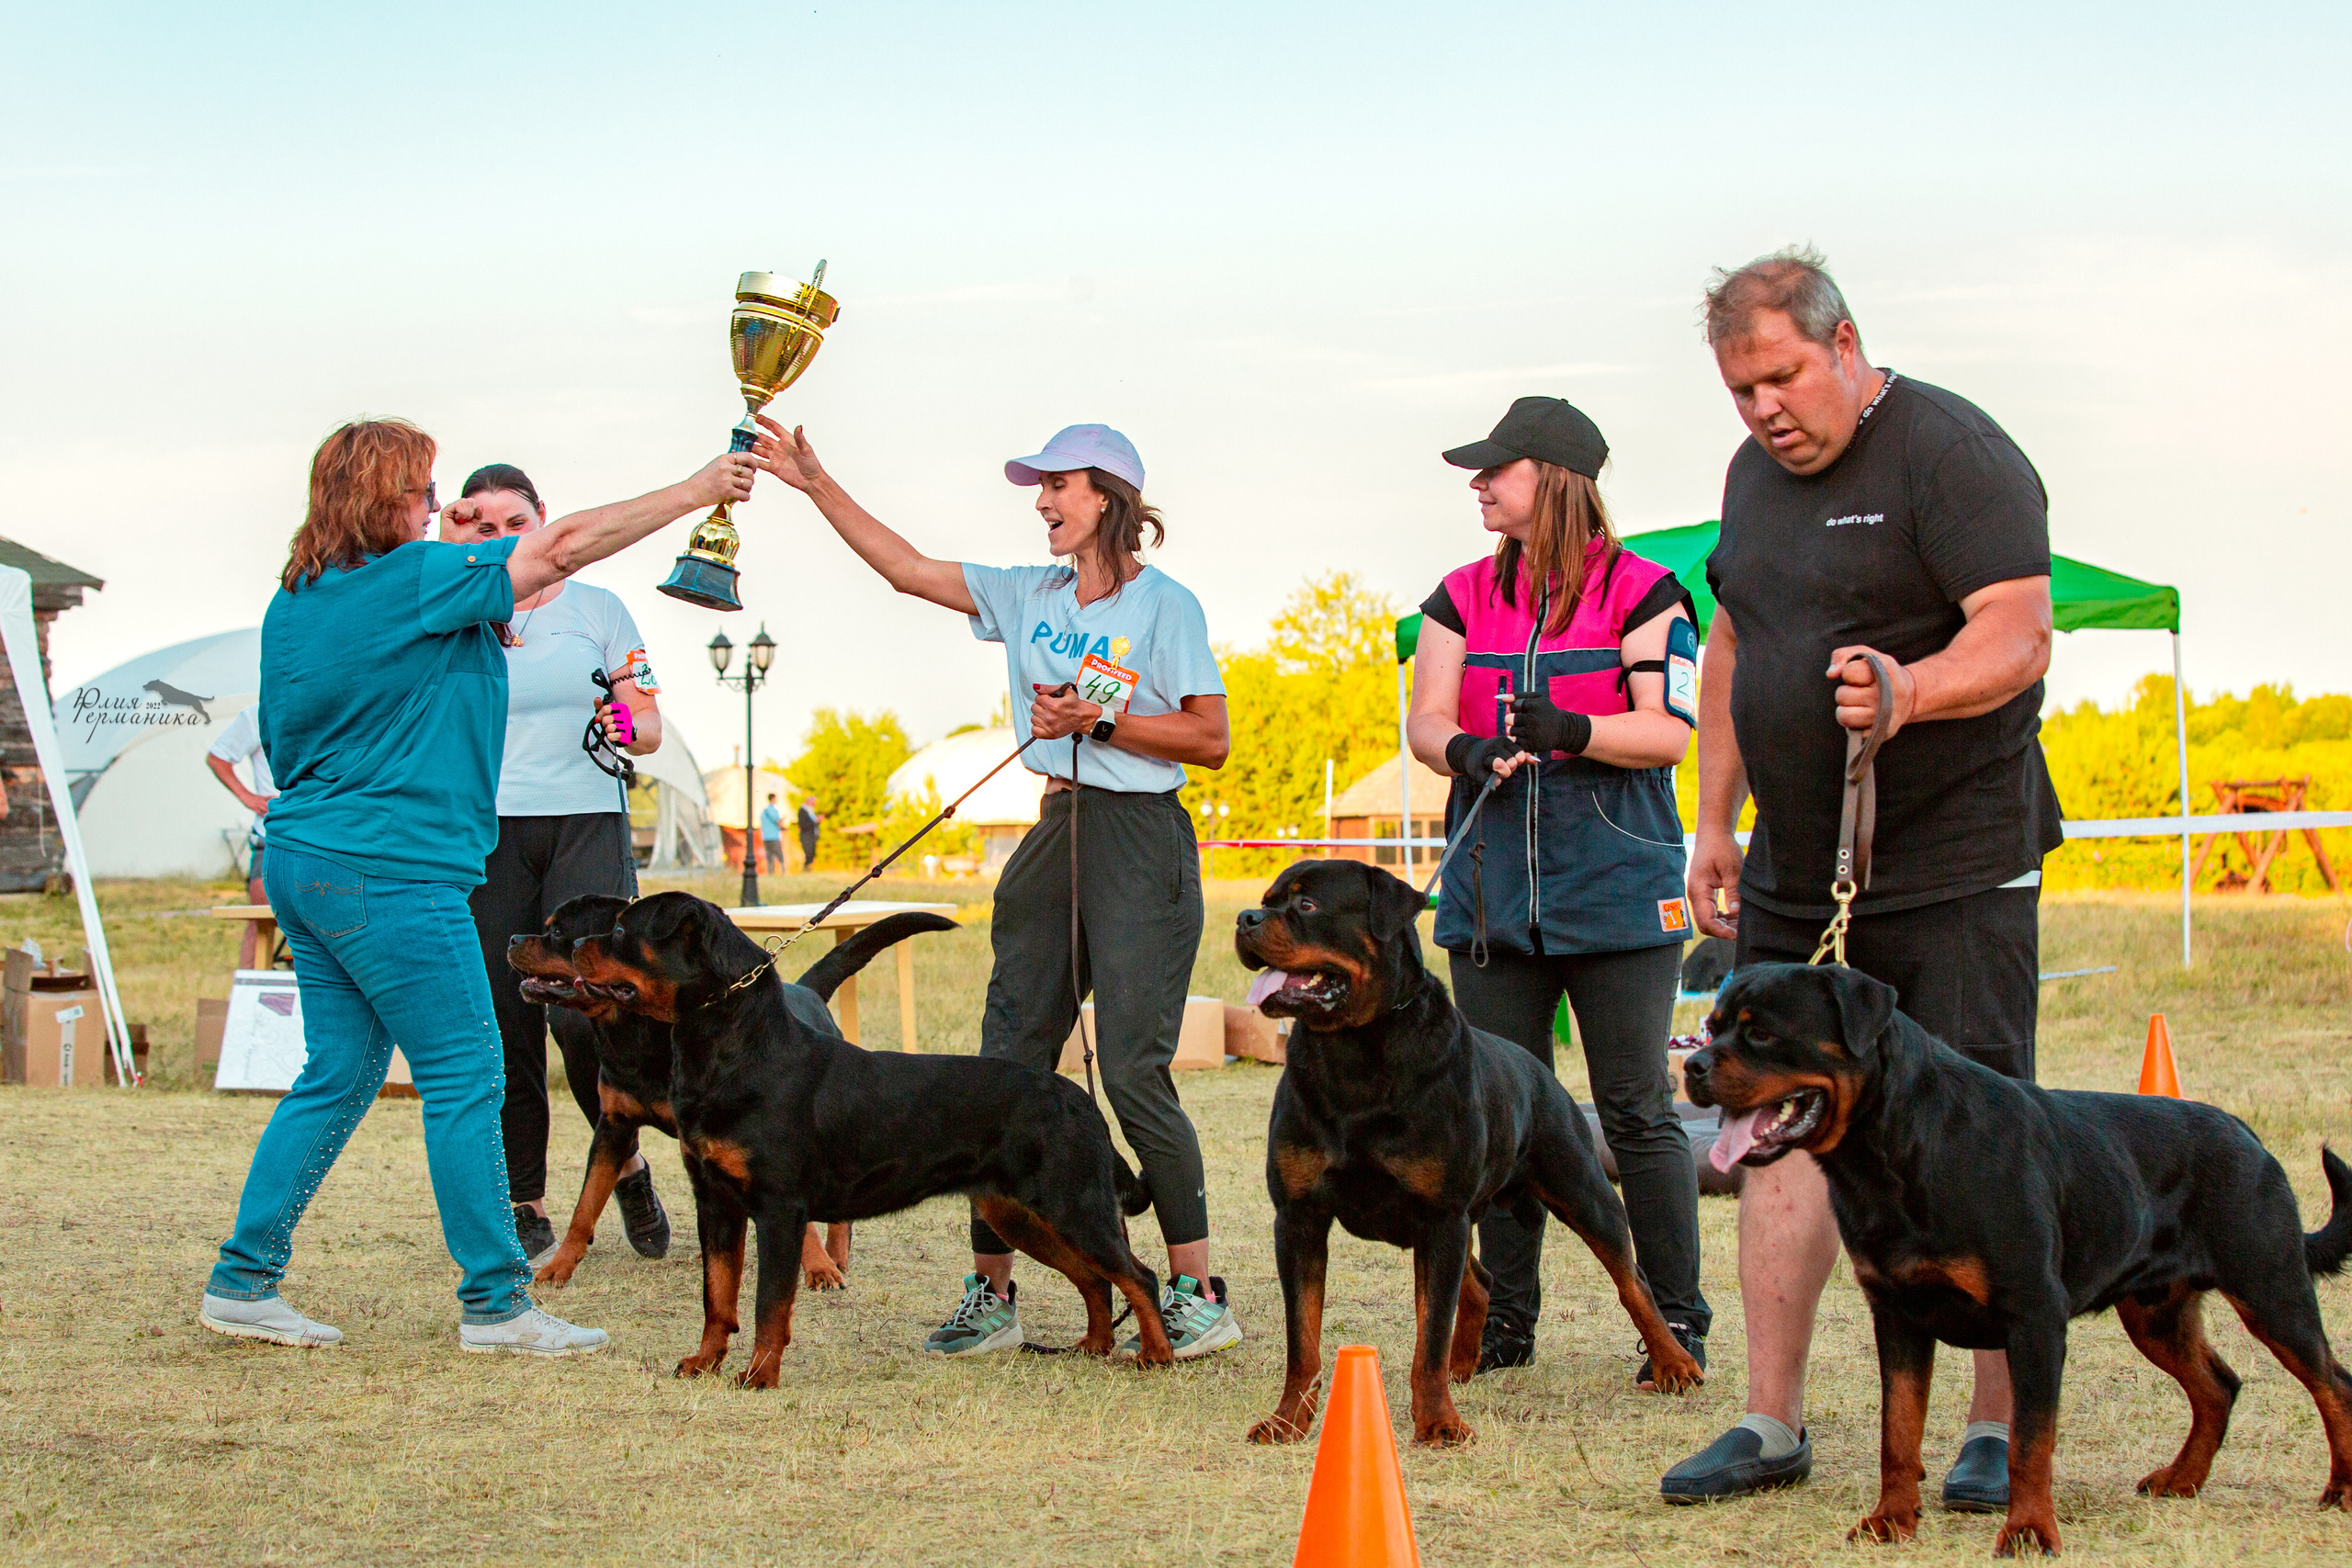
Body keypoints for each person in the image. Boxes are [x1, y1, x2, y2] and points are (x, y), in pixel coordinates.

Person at [198, 417, 753, 1355]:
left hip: (303, 858)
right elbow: (564, 544)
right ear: (389, 500)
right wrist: (699, 489)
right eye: (426, 493)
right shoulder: (415, 579)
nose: (434, 507)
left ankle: (243, 1280)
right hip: (390, 871)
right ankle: (497, 1303)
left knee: (337, 1073)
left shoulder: (295, 598)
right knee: (469, 1072)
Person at [1662, 247, 2059, 1508]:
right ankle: (1769, 1419)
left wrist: (1911, 687)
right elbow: (1734, 640)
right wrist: (1712, 817)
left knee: (1982, 1136)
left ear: (1845, 344)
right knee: (1768, 1121)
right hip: (1794, 863)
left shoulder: (1953, 451)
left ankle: (1995, 1431)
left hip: (1954, 859)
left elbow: (2018, 627)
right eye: (1740, 389)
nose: (1765, 407)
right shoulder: (1749, 479)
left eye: (1781, 375)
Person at [755, 417, 1242, 1359]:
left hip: (1140, 835)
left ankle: (1194, 1294)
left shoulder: (1164, 606)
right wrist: (815, 483)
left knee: (1136, 1072)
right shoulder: (1029, 594)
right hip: (1052, 828)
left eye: (1057, 485)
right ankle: (992, 1298)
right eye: (1039, 487)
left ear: (1108, 495)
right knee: (1003, 1063)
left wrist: (1102, 724)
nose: (1042, 502)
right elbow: (904, 568)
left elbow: (1209, 739)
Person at [1405, 396, 1710, 1385]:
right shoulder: (1456, 594)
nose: (1479, 484)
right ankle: (1505, 1327)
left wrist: (1573, 731)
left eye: (1498, 468)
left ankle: (1675, 1326)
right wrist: (1468, 748)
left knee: (1634, 1113)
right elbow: (1426, 722)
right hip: (1491, 899)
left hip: (1619, 892)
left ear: (1557, 477)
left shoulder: (1649, 591)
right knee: (1494, 1118)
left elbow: (1665, 731)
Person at [438, 462, 670, 1271]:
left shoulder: (598, 607)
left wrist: (625, 717)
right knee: (506, 1018)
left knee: (586, 1011)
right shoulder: (460, 605)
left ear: (545, 520)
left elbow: (647, 725)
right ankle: (524, 1196)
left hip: (584, 822)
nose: (504, 538)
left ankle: (628, 1165)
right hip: (488, 831)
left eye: (517, 522)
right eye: (486, 524)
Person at [205, 703, 278, 968]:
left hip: (323, 837)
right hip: (271, 837)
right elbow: (217, 757)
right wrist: (248, 797)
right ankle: (249, 1002)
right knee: (262, 922)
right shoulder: (258, 715)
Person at [760, 792, 786, 875]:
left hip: (765, 836)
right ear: (773, 799)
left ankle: (770, 872)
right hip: (774, 836)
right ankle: (783, 870)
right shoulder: (774, 811)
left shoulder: (764, 811)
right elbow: (778, 822)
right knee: (779, 853)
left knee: (769, 855)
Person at [796, 797, 820, 870]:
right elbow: (803, 825)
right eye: (813, 803)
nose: (814, 805)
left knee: (812, 853)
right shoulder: (802, 811)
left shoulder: (810, 811)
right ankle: (806, 868)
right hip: (806, 836)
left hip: (812, 835)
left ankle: (809, 868)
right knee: (808, 852)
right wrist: (815, 822)